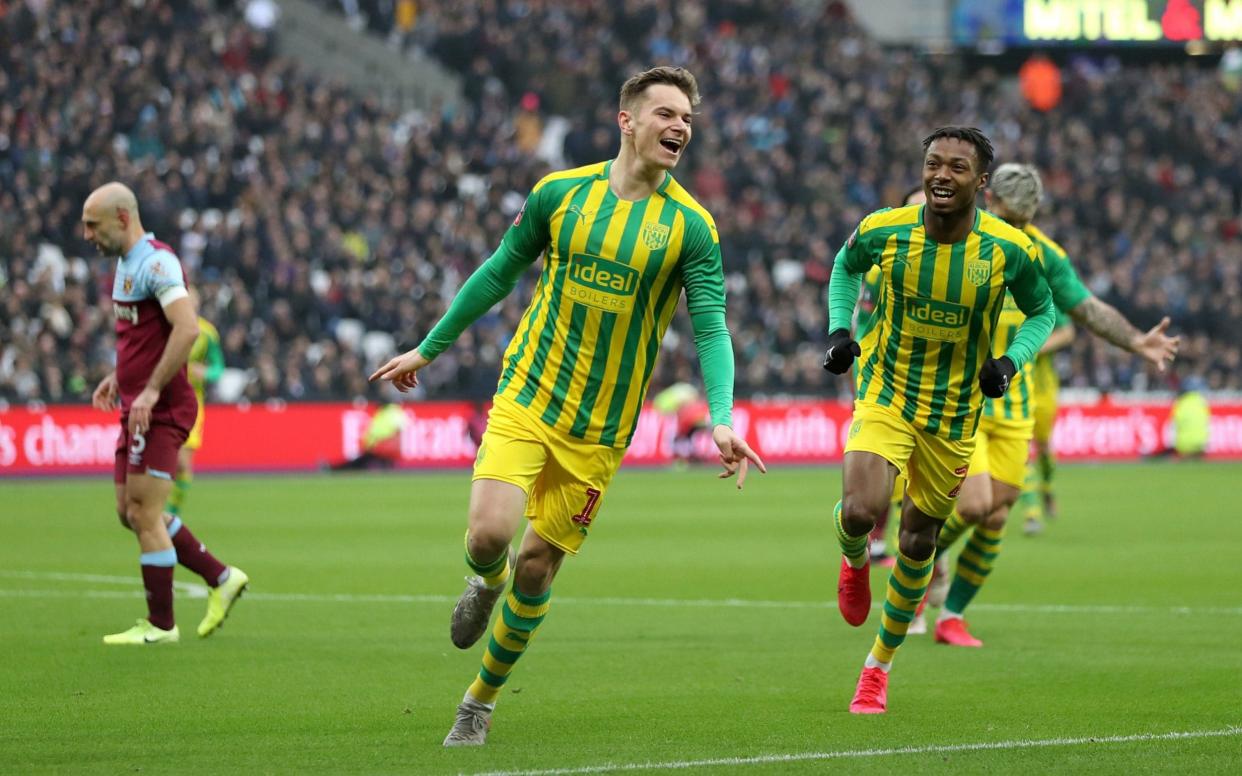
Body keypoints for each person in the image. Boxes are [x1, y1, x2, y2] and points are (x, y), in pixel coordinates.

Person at [369, 66, 766, 745]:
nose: (679, 127)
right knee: (491, 538)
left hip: (601, 431)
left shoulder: (692, 228)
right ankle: (481, 582)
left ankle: (479, 702)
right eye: (666, 114)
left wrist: (723, 418)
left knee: (538, 566)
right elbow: (500, 270)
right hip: (529, 393)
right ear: (628, 121)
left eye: (688, 120)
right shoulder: (561, 194)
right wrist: (430, 348)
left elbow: (710, 328)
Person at [822, 127, 1057, 714]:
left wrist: (1009, 360)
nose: (941, 175)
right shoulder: (885, 228)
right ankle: (853, 562)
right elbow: (844, 267)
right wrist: (840, 330)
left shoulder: (1006, 249)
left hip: (953, 416)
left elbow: (1042, 312)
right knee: (859, 509)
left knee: (918, 539)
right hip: (887, 394)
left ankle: (877, 668)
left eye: (957, 167)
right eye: (933, 164)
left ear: (980, 183)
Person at [925, 164, 1180, 647]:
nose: (1016, 227)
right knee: (977, 504)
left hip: (1015, 407)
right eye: (1008, 215)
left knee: (998, 513)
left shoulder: (1043, 253)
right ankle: (923, 559)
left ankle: (951, 616)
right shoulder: (955, 235)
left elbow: (1085, 308)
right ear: (988, 198)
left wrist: (1135, 342)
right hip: (963, 402)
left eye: (1024, 220)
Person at [85, 182, 249, 645]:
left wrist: (152, 388)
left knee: (144, 509)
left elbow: (186, 327)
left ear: (121, 218)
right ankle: (221, 577)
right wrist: (121, 377)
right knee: (130, 511)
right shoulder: (123, 266)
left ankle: (160, 625)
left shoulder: (156, 262)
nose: (86, 235)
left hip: (160, 407)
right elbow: (140, 337)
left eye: (92, 225)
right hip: (136, 403)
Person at [166, 288, 224, 519]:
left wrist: (206, 373)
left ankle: (172, 512)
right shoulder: (165, 327)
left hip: (191, 404)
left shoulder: (207, 333)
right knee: (163, 459)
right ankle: (156, 507)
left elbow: (218, 367)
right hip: (164, 400)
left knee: (182, 463)